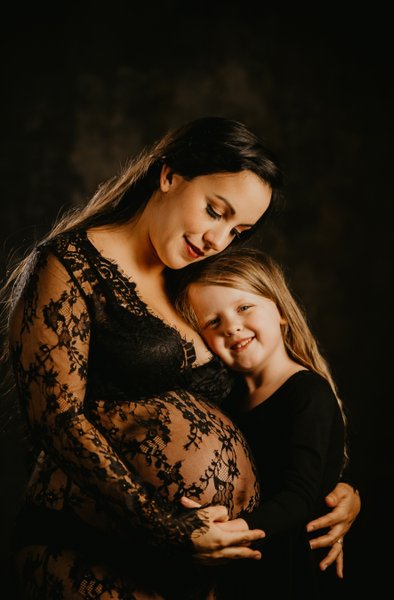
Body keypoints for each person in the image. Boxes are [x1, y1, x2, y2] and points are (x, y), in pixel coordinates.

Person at [0, 116, 360, 599]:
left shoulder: (195, 281)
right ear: (169, 176)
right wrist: (169, 529)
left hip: (201, 566)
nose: (218, 239)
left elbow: (256, 405)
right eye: (215, 210)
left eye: (238, 230)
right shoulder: (68, 266)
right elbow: (57, 418)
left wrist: (333, 489)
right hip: (92, 547)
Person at [173, 246, 357, 598]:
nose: (232, 326)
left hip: (292, 569)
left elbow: (300, 496)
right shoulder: (229, 401)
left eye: (244, 307)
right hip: (246, 567)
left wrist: (230, 530)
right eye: (214, 321)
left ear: (281, 311)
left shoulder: (308, 392)